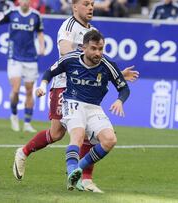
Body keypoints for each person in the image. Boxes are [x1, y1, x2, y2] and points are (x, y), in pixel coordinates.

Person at [13, 0, 139, 193]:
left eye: (92, 4)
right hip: (64, 84)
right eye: (86, 3)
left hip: (86, 88)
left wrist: (117, 73)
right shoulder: (69, 26)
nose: (90, 7)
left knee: (90, 133)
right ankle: (23, 152)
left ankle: (85, 178)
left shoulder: (93, 31)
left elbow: (95, 62)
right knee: (57, 134)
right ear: (74, 7)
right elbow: (67, 53)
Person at [37, 30, 130, 191]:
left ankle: (77, 168)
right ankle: (72, 171)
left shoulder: (108, 65)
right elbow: (49, 72)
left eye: (100, 49)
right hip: (73, 103)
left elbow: (124, 88)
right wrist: (42, 86)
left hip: (94, 107)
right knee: (78, 136)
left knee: (110, 140)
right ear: (83, 48)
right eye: (93, 48)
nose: (98, 53)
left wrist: (119, 101)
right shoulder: (70, 59)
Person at [0, 0, 45, 132]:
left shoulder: (36, 16)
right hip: (14, 57)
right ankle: (13, 114)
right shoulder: (11, 12)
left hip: (31, 58)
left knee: (30, 91)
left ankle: (27, 123)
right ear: (19, 1)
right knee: (15, 89)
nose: (25, 2)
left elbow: (40, 32)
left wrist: (42, 46)